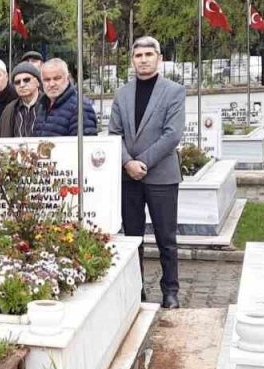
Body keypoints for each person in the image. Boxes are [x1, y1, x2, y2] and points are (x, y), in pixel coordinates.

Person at [109, 36, 185, 309]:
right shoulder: (122, 94)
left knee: (166, 237)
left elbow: (172, 134)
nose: (143, 60)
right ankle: (136, 289)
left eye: (148, 55)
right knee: (132, 237)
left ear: (159, 58)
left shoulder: (174, 91)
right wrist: (128, 162)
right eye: (138, 55)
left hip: (161, 175)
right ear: (132, 60)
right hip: (128, 177)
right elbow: (114, 133)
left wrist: (142, 162)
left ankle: (170, 291)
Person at [34, 58, 98, 136]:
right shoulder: (42, 105)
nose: (51, 84)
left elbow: (85, 145)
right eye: (47, 80)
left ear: (67, 79)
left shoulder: (80, 107)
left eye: (57, 78)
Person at [0, 63, 43, 137]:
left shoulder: (49, 105)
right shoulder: (9, 109)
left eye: (26, 80)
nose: (22, 85)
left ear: (37, 82)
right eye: (17, 82)